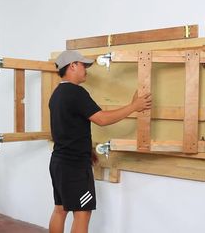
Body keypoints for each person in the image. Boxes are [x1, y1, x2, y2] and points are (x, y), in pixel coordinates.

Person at [48, 50, 152, 233]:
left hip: (59, 162)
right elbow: (102, 119)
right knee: (83, 212)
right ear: (72, 66)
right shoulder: (76, 93)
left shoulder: (57, 94)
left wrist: (87, 150)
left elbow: (67, 129)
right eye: (83, 65)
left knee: (60, 209)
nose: (86, 70)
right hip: (74, 165)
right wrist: (134, 107)